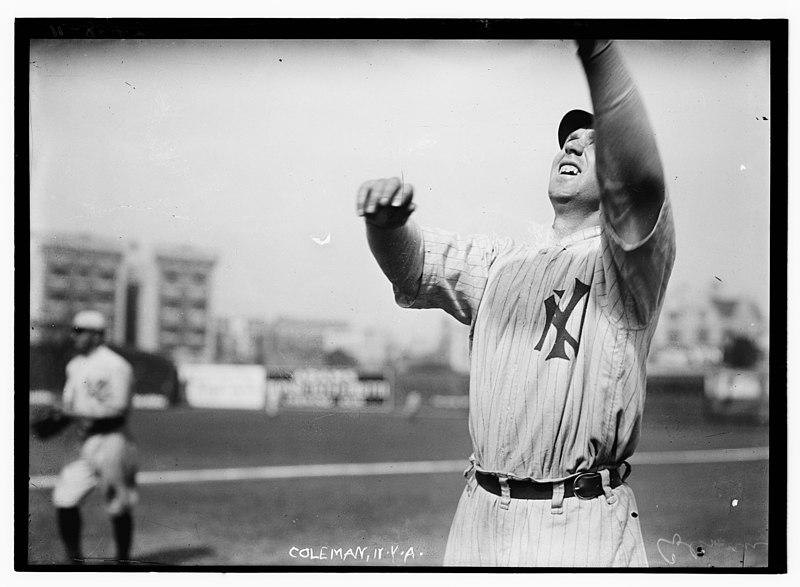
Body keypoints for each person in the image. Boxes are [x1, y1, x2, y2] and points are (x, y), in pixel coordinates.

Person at [355, 39, 675, 567]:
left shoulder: (627, 267)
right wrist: (386, 226)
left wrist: (597, 46)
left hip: (580, 522)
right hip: (479, 516)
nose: (572, 146)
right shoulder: (502, 262)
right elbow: (413, 265)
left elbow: (642, 183)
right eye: (568, 139)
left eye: (593, 143)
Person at [52, 310, 138, 564]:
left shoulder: (116, 365)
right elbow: (71, 405)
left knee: (118, 505)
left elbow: (118, 411)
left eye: (80, 331)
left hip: (113, 441)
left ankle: (122, 561)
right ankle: (74, 561)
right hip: (85, 442)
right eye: (74, 330)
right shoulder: (74, 365)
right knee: (65, 498)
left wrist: (73, 414)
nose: (74, 336)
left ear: (97, 335)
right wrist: (58, 418)